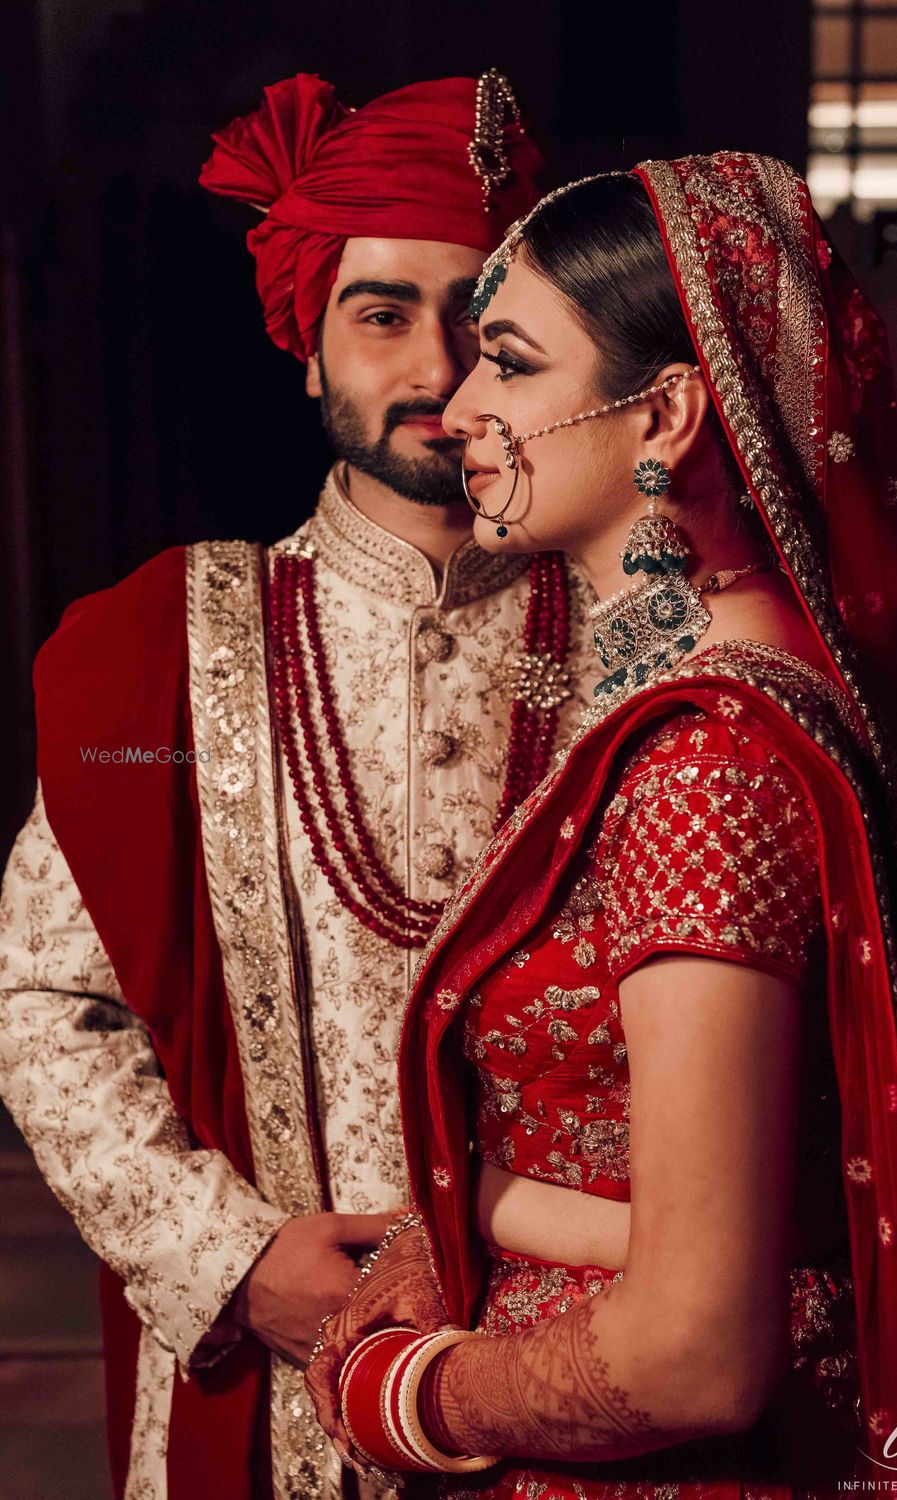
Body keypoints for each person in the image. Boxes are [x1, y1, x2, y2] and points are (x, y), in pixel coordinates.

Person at [303, 158, 897, 1496]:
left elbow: (694, 1347)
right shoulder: (691, 707)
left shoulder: (705, 765)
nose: (458, 407)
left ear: (664, 410)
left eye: (507, 362)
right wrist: (462, 1222)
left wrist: (405, 1389)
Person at [0, 71, 596, 1500]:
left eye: (486, 323)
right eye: (382, 314)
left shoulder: (649, 639)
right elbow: (41, 998)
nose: (438, 368)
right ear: (308, 349)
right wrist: (229, 1255)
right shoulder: (167, 642)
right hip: (273, 1386)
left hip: (581, 1369)